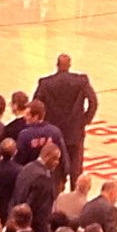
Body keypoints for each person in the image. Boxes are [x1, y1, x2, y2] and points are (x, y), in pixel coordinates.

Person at [36, 52, 100, 182]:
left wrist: (43, 125)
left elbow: (36, 105)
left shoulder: (45, 83)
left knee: (55, 173)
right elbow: (93, 101)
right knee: (76, 173)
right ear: (69, 65)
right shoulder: (81, 81)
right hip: (75, 133)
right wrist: (85, 120)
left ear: (57, 65)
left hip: (54, 134)